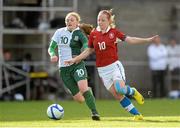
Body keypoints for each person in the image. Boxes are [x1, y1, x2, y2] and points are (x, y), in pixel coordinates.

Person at [65, 9, 160, 121]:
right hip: (102, 71)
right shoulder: (94, 34)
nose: (100, 22)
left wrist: (147, 40)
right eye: (98, 20)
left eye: (103, 20)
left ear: (109, 21)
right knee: (117, 95)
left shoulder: (114, 33)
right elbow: (88, 51)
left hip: (114, 66)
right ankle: (137, 115)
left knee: (120, 89)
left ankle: (133, 91)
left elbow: (131, 39)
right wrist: (75, 59)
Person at [48, 12, 100, 120]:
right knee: (80, 100)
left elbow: (86, 46)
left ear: (77, 22)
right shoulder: (59, 32)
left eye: (72, 20)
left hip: (77, 65)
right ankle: (87, 92)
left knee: (83, 88)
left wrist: (81, 55)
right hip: (63, 70)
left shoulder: (79, 34)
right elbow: (51, 47)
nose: (69, 22)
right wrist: (53, 54)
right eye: (67, 20)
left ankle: (95, 113)